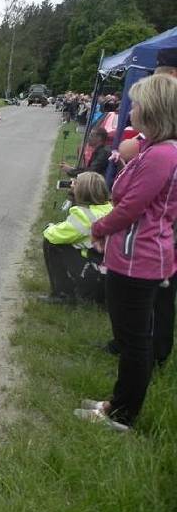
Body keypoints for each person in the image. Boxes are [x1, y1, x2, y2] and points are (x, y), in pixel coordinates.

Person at [76, 73, 177, 431]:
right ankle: (117, 402)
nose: (130, 109)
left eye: (137, 104)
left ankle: (122, 414)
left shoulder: (161, 155)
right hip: (137, 254)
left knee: (134, 341)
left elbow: (132, 205)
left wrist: (99, 228)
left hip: (139, 258)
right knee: (130, 337)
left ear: (155, 110)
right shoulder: (155, 150)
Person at [42, 172, 112, 303]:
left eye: (76, 183)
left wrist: (50, 226)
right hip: (109, 274)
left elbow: (53, 235)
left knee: (51, 242)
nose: (72, 184)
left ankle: (62, 294)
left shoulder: (83, 215)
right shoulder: (110, 209)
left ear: (83, 191)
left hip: (92, 274)